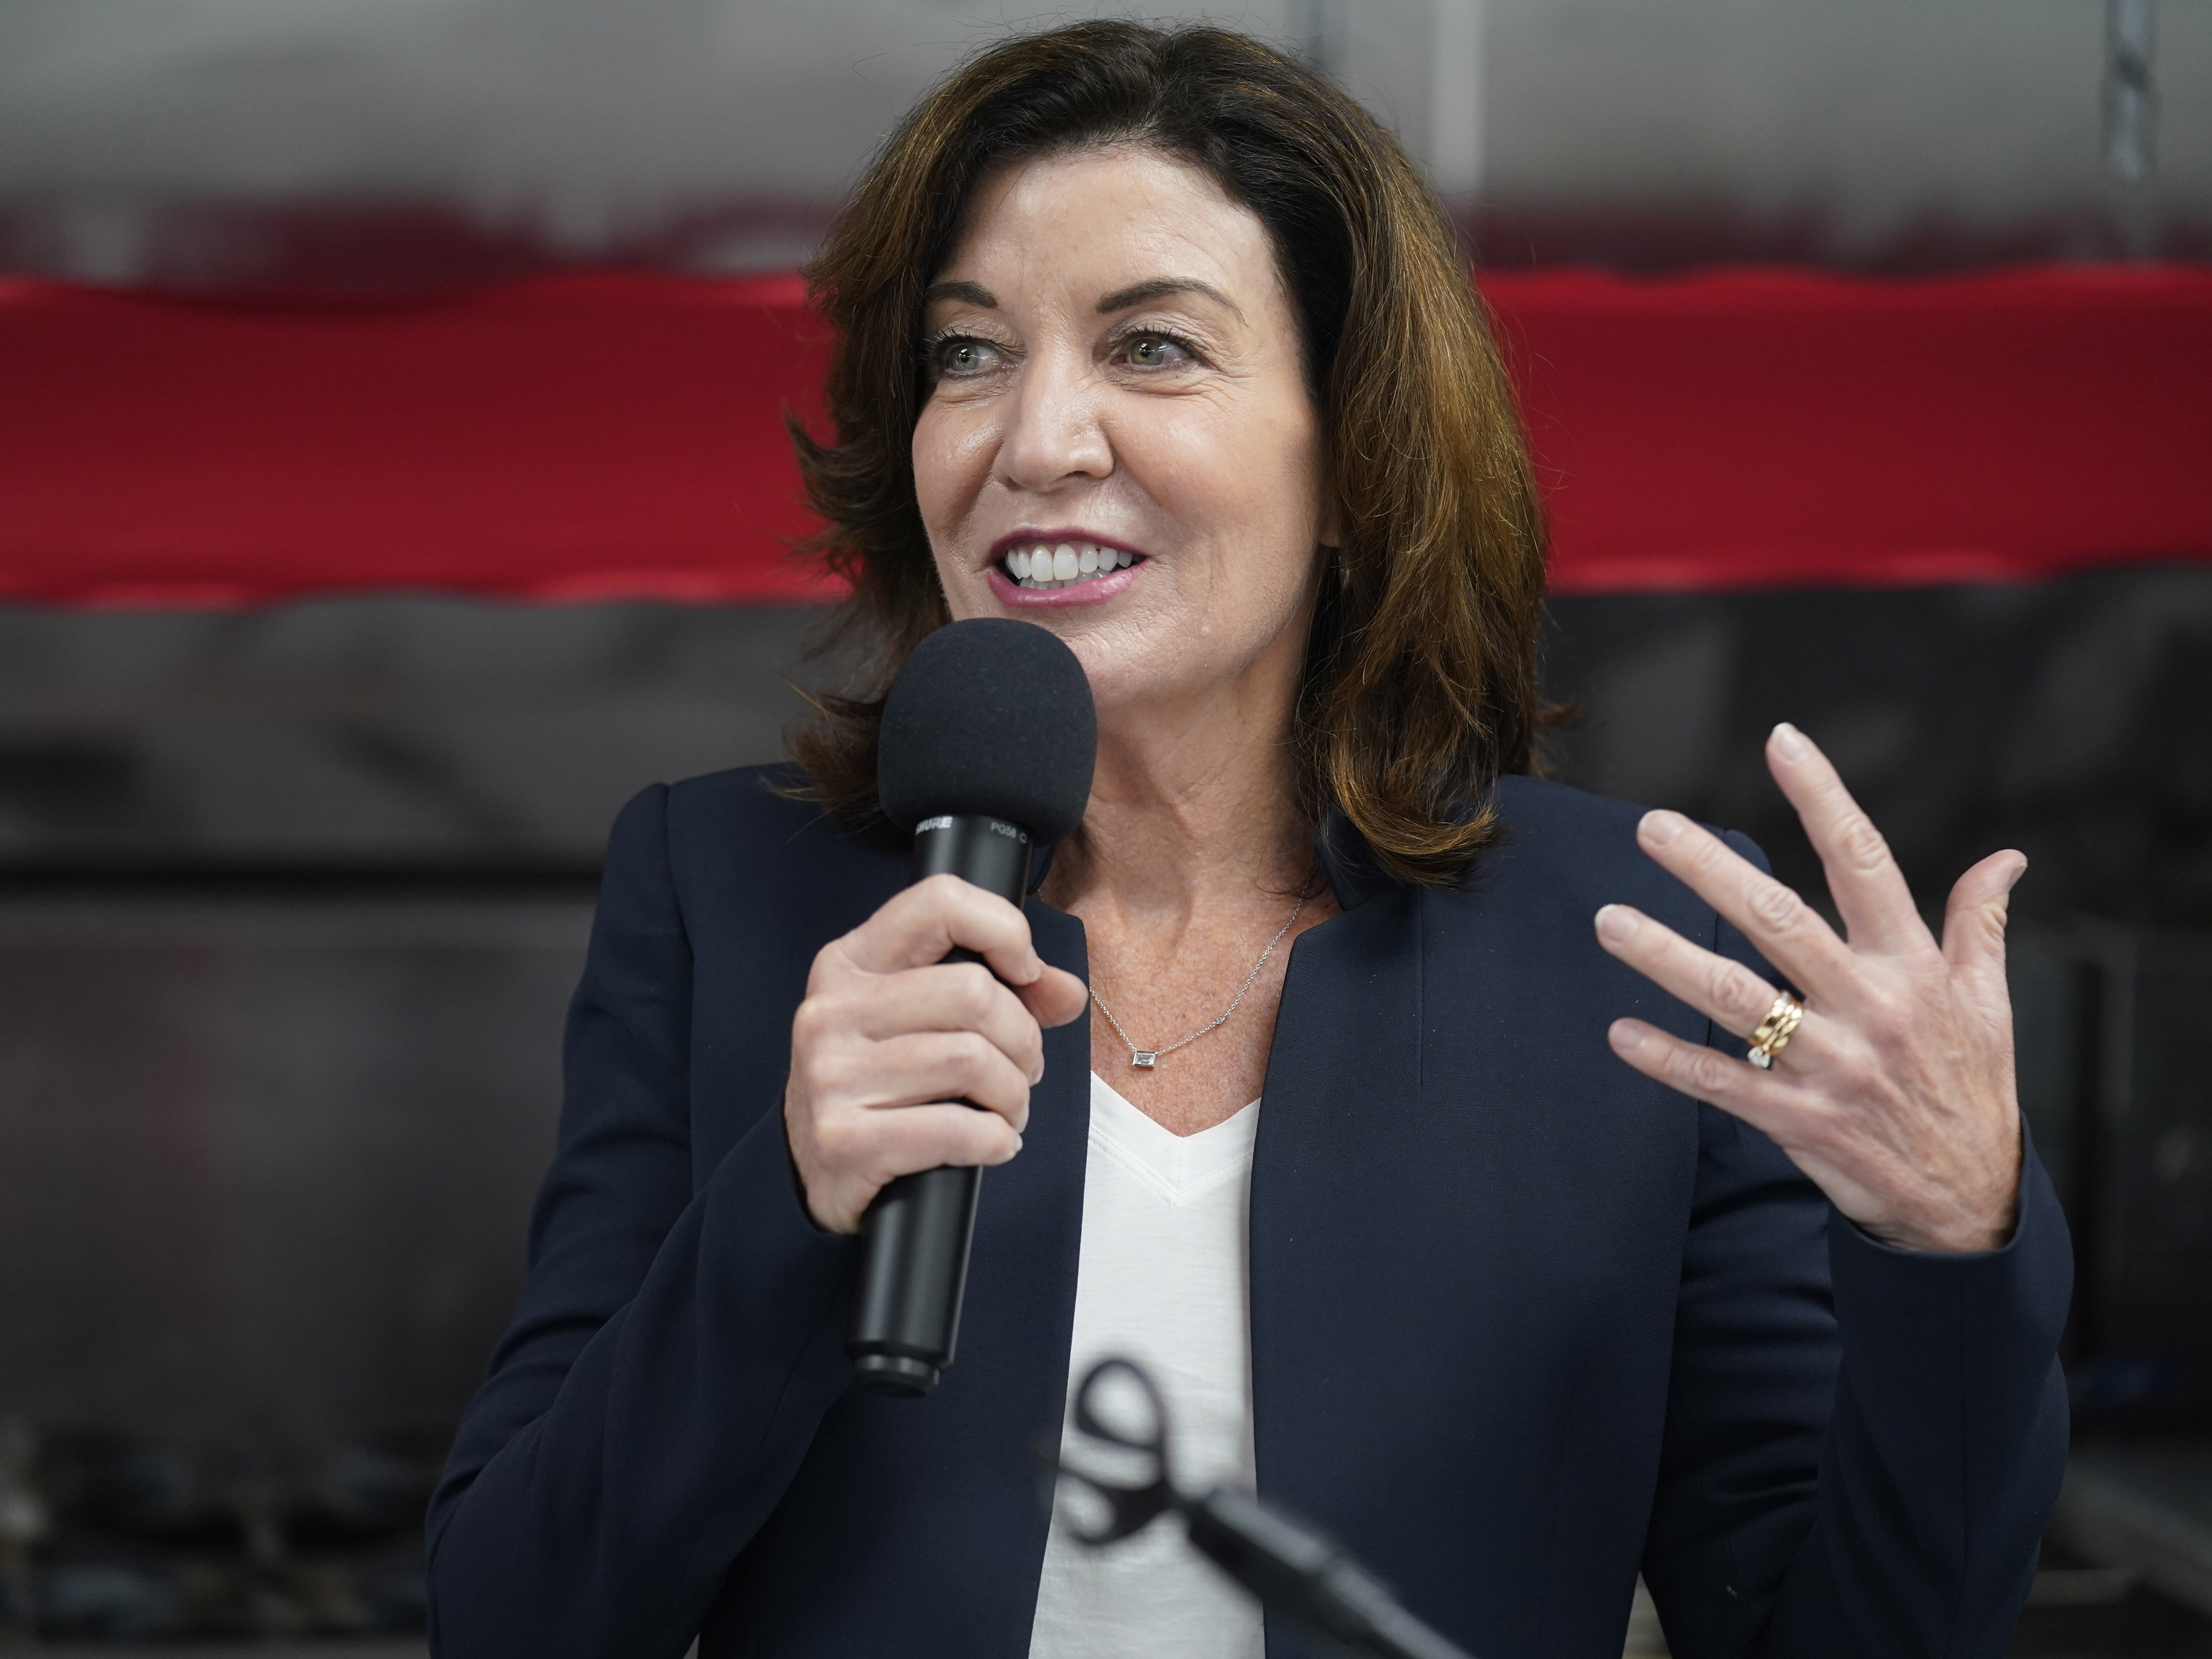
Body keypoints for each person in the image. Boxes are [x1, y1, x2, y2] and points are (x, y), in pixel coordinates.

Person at [426, 20, 2069, 1658]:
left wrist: (1951, 1241)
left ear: (1354, 459)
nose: (1034, 441)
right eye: (966, 352)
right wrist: (787, 1204)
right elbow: (512, 1619)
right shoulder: (725, 894)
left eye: (1149, 349)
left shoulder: (1631, 947)